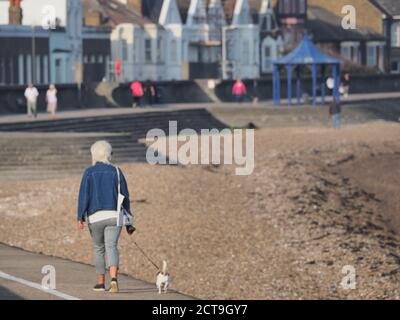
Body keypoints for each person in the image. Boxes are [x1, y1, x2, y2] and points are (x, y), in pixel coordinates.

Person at [77, 140, 134, 293]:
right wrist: (129, 222)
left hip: (95, 217)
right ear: (109, 154)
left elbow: (84, 196)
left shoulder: (89, 172)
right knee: (111, 247)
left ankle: (101, 283)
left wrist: (80, 216)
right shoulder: (116, 171)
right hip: (114, 216)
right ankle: (114, 279)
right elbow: (125, 197)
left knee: (98, 248)